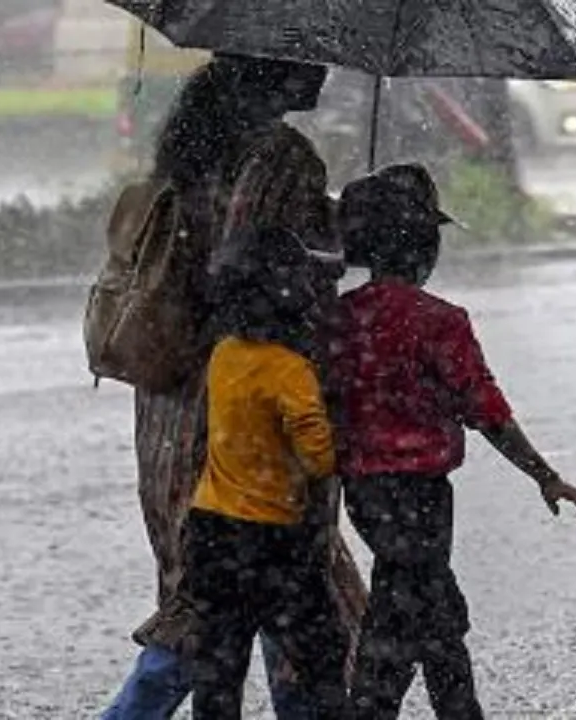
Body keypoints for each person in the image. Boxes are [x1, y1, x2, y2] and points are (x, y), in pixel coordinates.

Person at [103, 55, 365, 720]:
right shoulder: (283, 155)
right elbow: (264, 271)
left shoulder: (194, 145)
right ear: (272, 69)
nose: (324, 72)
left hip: (174, 402)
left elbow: (214, 259)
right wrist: (344, 239)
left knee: (205, 589)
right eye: (311, 58)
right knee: (286, 585)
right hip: (256, 400)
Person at [332, 165, 576, 720]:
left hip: (361, 492)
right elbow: (487, 411)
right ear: (422, 247)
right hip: (423, 496)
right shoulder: (440, 322)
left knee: (420, 602)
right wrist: (544, 475)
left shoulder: (339, 318)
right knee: (414, 608)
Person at [177, 129, 351, 720]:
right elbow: (320, 456)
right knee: (320, 650)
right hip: (273, 539)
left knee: (220, 666)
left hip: (211, 532)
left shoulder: (225, 355)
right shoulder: (291, 370)